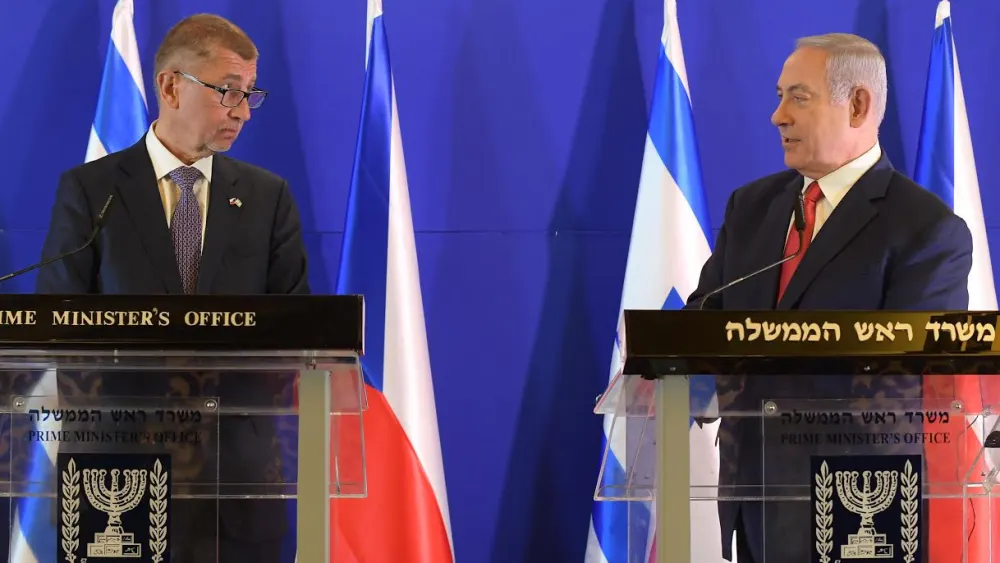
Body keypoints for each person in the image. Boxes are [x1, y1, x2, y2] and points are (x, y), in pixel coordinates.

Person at [685, 33, 972, 562]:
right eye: (780, 97)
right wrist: (666, 361)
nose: (778, 116)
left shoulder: (926, 231)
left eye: (799, 97)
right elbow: (701, 323)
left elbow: (909, 384)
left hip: (860, 506)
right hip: (755, 500)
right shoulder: (751, 208)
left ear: (858, 105)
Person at [35, 14, 306, 563]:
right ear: (170, 86)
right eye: (228, 90)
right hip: (116, 479)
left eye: (250, 94)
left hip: (236, 481)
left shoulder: (266, 197)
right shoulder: (90, 191)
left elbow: (296, 336)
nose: (243, 111)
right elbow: (56, 331)